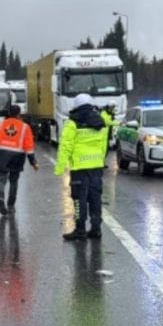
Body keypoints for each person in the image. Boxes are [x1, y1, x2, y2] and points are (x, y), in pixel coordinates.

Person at [54, 94, 112, 240]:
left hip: (79, 168)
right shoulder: (101, 121)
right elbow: (103, 144)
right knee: (95, 199)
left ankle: (80, 230)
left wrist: (59, 167)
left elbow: (65, 146)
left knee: (79, 200)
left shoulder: (72, 123)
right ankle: (96, 228)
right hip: (96, 167)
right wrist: (101, 159)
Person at [0, 104, 38, 216]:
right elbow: (29, 146)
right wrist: (33, 161)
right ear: (18, 114)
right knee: (13, 182)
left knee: (1, 180)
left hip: (1, 155)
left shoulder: (0, 125)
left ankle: (0, 198)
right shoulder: (25, 127)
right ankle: (11, 206)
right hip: (17, 157)